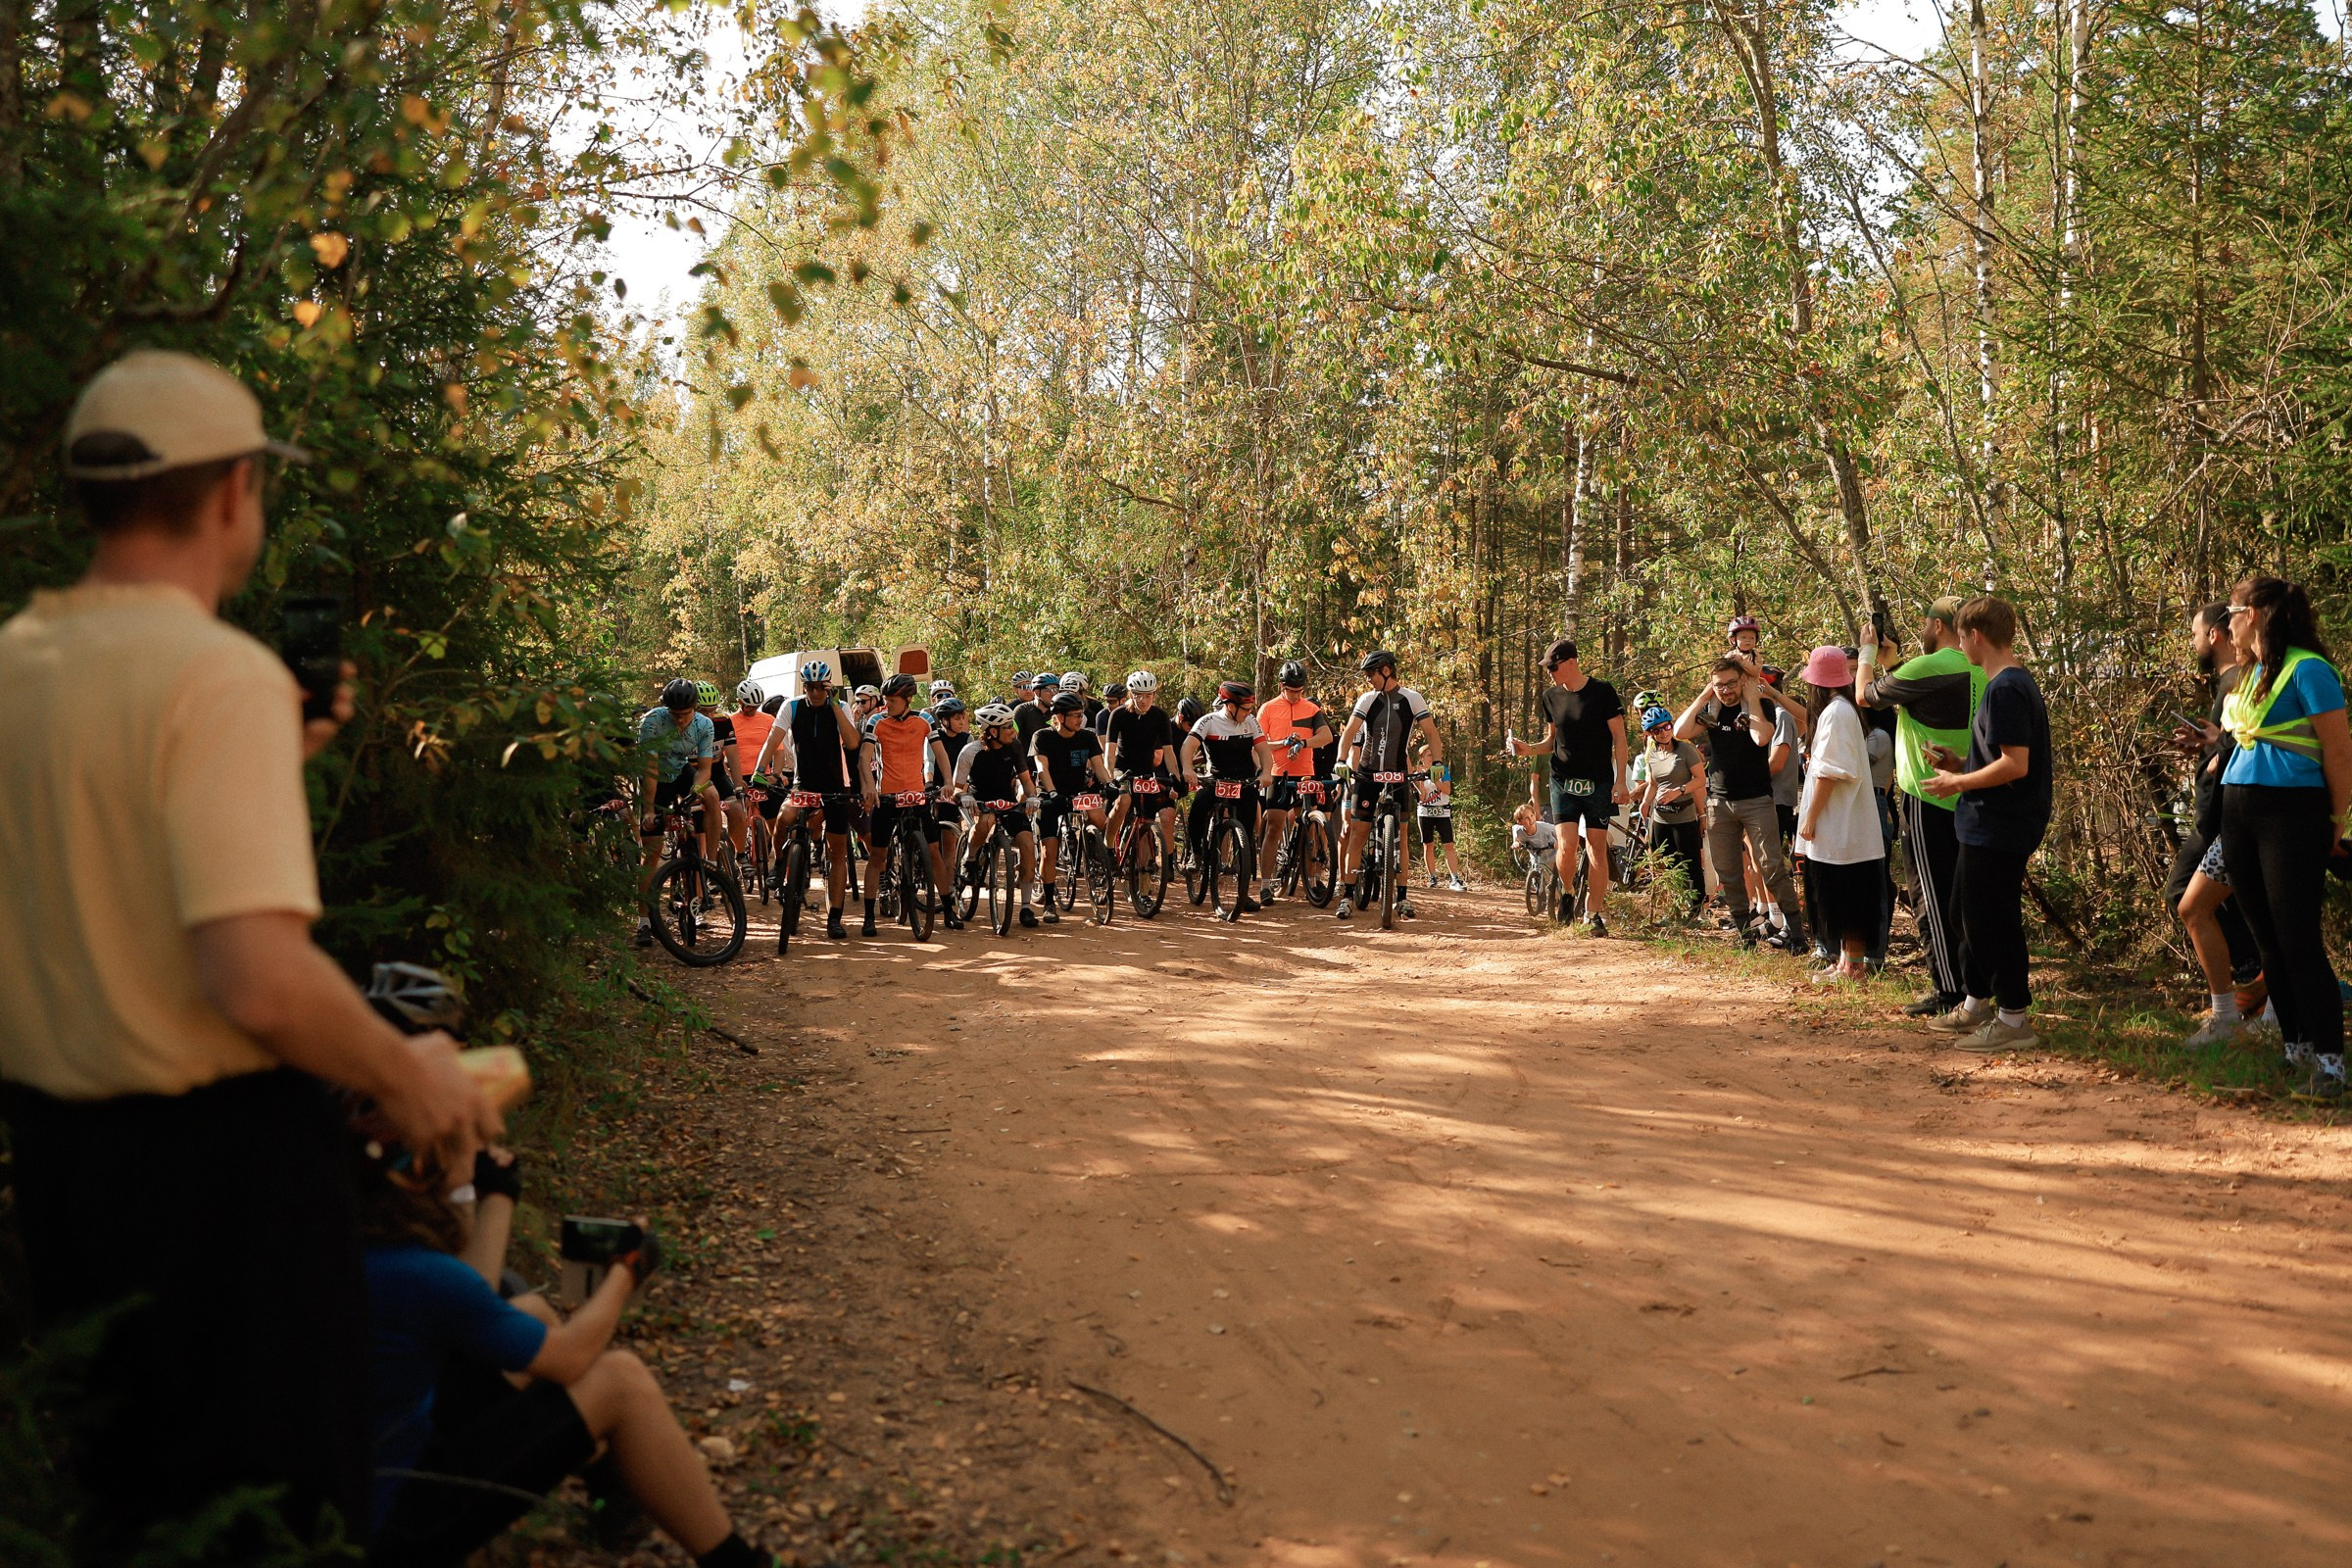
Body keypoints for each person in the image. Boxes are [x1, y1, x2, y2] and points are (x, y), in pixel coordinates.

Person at [0, 349, 500, 1553]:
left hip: (63, 1176)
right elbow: (255, 977)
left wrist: (269, 771)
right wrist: (408, 1070)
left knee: (140, 1514)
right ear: (233, 492)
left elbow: (94, 873)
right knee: (275, 1521)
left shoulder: (18, 661)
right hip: (221, 1195)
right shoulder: (214, 673)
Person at [359, 1152, 766, 1568]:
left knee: (533, 1312)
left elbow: (471, 1302)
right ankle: (736, 1562)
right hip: (394, 1527)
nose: (483, 1144)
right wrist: (626, 1272)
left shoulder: (363, 1250)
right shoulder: (418, 1273)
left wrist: (498, 1192)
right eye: (466, 1139)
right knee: (621, 1379)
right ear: (419, 1173)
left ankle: (614, 1492)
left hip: (366, 1478)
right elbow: (568, 1358)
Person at [2214, 576, 2352, 1100]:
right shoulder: (2249, 674)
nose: (2227, 622)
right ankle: (2294, 1050)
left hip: (2291, 813)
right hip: (2238, 808)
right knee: (2266, 939)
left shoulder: (2309, 669)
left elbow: (2339, 752)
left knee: (2297, 938)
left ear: (2255, 614)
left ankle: (2331, 1063)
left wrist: (2335, 819)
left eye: (2233, 611)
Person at [1922, 597, 2053, 1053]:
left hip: (2001, 824)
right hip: (1982, 823)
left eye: (1960, 637)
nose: (1960, 645)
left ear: (1975, 636)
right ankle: (1976, 1002)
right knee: (1965, 912)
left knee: (1992, 920)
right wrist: (1961, 761)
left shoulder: (2006, 688)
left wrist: (1958, 781)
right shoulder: (2004, 685)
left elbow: (2015, 765)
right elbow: (1997, 757)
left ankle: (2014, 1018)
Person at [1860, 597, 1986, 1015]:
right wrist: (1894, 663)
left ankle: (1949, 989)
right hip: (1973, 789)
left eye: (1925, 625)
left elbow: (1866, 697)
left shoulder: (1929, 667)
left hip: (1928, 794)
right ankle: (1975, 988)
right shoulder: (1983, 667)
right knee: (1966, 896)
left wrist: (1865, 653)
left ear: (1936, 626)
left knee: (1930, 895)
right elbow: (1919, 694)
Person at [2168, 604, 2267, 1048]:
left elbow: (2253, 743)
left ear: (2215, 635)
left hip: (2232, 820)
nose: (2192, 642)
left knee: (2186, 898)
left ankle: (2248, 988)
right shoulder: (2234, 681)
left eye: (2195, 633)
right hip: (2227, 818)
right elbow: (2236, 739)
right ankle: (2251, 997)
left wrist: (2218, 760)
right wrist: (2211, 745)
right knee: (2203, 903)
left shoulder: (2239, 679)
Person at [1677, 657, 1810, 954]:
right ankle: (1743, 934)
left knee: (1771, 867)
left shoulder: (1761, 708)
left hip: (1757, 800)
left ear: (1742, 681)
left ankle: (1797, 934)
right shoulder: (1711, 711)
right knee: (1728, 870)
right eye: (1719, 685)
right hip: (1719, 802)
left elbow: (1761, 737)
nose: (1725, 690)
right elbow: (1681, 731)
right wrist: (1704, 695)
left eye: (1731, 683)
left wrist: (1750, 695)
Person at [1504, 638, 1627, 933]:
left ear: (1571, 662)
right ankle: (1568, 891)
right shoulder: (1550, 697)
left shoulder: (1603, 692)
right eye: (1547, 668)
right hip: (1562, 781)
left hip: (1598, 781)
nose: (1550, 673)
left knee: (1597, 847)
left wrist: (1621, 779)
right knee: (1568, 845)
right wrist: (1528, 749)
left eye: (1554, 667)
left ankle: (1593, 913)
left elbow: (1620, 740)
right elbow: (1551, 741)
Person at [1790, 648, 1886, 983]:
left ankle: (1855, 967)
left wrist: (1810, 819)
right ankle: (1846, 961)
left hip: (1841, 824)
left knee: (1849, 895)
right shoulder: (1842, 710)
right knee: (1842, 895)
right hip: (1842, 824)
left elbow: (1831, 773)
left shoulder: (1836, 713)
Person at [752, 662, 865, 941]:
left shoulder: (840, 707)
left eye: (820, 687)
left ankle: (835, 917)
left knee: (837, 850)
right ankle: (779, 861)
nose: (815, 693)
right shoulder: (791, 707)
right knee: (784, 817)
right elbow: (772, 740)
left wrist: (836, 705)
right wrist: (758, 771)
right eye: (810, 687)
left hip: (835, 786)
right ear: (803, 687)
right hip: (805, 784)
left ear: (828, 686)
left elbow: (852, 743)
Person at [1334, 650, 1444, 920]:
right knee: (1358, 833)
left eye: (1371, 674)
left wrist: (1438, 761)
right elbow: (1349, 731)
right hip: (1368, 772)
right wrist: (1340, 760)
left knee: (1402, 836)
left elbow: (1431, 732)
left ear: (1385, 671)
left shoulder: (1412, 698)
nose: (1368, 679)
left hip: (1397, 774)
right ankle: (1347, 895)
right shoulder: (1368, 699)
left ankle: (1402, 898)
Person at [863, 673, 957, 932]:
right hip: (887, 798)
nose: (887, 704)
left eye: (892, 700)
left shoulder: (925, 719)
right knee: (877, 856)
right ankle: (869, 916)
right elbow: (864, 757)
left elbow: (940, 753)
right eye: (884, 700)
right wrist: (870, 787)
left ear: (908, 699)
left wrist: (947, 781)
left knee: (934, 852)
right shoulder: (876, 720)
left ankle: (948, 910)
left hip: (917, 796)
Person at [634, 679, 719, 946]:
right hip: (655, 777)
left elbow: (705, 768)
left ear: (695, 708)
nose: (680, 721)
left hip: (681, 771)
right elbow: (649, 769)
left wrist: (696, 790)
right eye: (675, 715)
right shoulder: (652, 722)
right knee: (652, 851)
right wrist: (649, 811)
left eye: (685, 715)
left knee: (713, 795)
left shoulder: (705, 724)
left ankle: (712, 863)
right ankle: (644, 921)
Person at [1183, 681, 1275, 918]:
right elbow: (1188, 746)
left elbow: (1264, 750)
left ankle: (1242, 889)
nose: (1249, 713)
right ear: (1230, 705)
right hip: (1216, 780)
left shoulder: (1251, 722)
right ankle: (1196, 852)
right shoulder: (1209, 721)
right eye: (1244, 708)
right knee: (1198, 809)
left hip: (1242, 782)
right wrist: (1187, 769)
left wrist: (1266, 773)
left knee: (1246, 832)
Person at [954, 704, 1043, 927]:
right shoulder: (970, 752)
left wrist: (1031, 797)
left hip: (1007, 802)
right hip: (980, 800)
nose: (1013, 731)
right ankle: (970, 857)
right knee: (985, 822)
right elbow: (957, 788)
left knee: (1027, 844)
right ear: (992, 731)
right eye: (1007, 727)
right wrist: (964, 797)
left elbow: (1027, 782)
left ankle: (1025, 907)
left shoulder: (1014, 746)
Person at [1030, 691, 1116, 919]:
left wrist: (1108, 784)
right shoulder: (1042, 737)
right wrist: (1053, 792)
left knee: (1100, 820)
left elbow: (1098, 766)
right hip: (1052, 794)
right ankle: (1049, 903)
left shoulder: (1086, 737)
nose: (1081, 719)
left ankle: (1097, 860)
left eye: (1081, 714)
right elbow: (1041, 769)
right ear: (1058, 717)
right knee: (1049, 850)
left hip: (1079, 792)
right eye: (1075, 715)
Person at [1257, 661, 1337, 902]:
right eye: (1291, 691)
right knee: (1274, 827)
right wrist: (1282, 743)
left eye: (1299, 691)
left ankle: (1313, 880)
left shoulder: (1311, 709)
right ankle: (1265, 884)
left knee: (1312, 827)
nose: (1295, 695)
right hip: (1278, 773)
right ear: (1282, 686)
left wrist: (1304, 743)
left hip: (1305, 773)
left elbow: (1326, 736)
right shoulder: (1268, 708)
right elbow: (1258, 742)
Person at [1103, 668, 1180, 869]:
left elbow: (1169, 753)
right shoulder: (1118, 715)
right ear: (1130, 694)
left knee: (1147, 816)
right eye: (1138, 695)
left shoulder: (1160, 716)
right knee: (1125, 799)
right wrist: (1109, 779)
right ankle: (1108, 846)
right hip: (1122, 769)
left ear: (1154, 695)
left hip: (1146, 771)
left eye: (1148, 695)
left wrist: (1176, 778)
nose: (1143, 700)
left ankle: (1144, 873)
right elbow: (1109, 753)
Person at [1634, 705, 1705, 917]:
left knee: (1690, 864)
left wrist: (1679, 791)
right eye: (1657, 730)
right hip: (1660, 817)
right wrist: (1645, 803)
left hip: (1684, 815)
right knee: (1665, 863)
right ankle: (1673, 908)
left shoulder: (1686, 750)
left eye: (1667, 726)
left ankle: (1695, 910)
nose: (1664, 732)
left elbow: (1700, 780)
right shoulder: (1653, 755)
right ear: (1649, 734)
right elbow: (1653, 783)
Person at [696, 680, 750, 863]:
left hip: (717, 773)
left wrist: (738, 785)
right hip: (693, 776)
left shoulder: (723, 721)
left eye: (713, 709)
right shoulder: (686, 725)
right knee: (698, 823)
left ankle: (740, 855)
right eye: (704, 711)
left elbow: (733, 756)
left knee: (736, 808)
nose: (709, 715)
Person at [1416, 760, 1467, 891]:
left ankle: (1455, 878)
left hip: (1442, 811)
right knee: (1428, 845)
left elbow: (1447, 790)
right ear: (1422, 758)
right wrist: (1421, 778)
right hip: (1425, 811)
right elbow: (1421, 797)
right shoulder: (1419, 772)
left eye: (1432, 755)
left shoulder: (1443, 770)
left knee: (1448, 844)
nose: (1431, 758)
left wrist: (1435, 779)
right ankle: (1432, 877)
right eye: (1428, 755)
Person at [1012, 670, 1059, 753]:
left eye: (1055, 689)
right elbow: (1011, 737)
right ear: (1037, 692)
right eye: (1048, 689)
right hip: (1027, 762)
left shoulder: (1059, 711)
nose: (1053, 693)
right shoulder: (1022, 710)